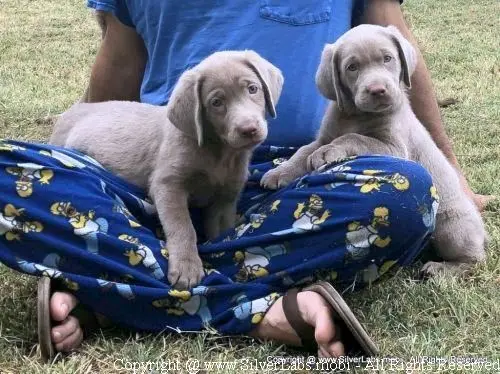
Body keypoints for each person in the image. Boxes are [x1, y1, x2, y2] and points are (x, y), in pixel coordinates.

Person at [0, 0, 490, 359]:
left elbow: (394, 51)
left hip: (303, 180)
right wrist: (73, 167)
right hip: (164, 161)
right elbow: (119, 65)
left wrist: (453, 172)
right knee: (9, 172)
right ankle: (265, 306)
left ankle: (112, 290)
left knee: (404, 190)